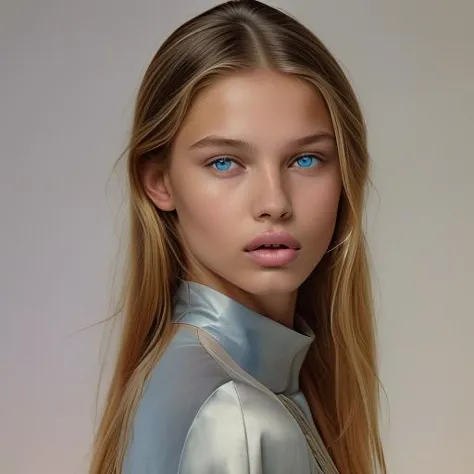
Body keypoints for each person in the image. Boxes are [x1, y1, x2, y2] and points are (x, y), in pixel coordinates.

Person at [89, 1, 386, 473]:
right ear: (159, 182)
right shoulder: (236, 416)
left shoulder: (226, 383)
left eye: (305, 159)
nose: (274, 201)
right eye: (225, 162)